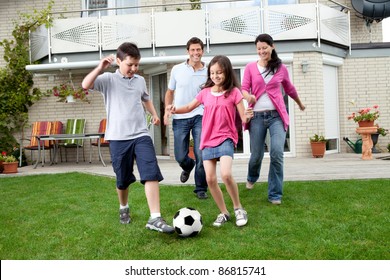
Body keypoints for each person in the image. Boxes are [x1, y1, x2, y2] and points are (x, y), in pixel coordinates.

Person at [82, 42, 174, 234]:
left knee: (150, 171)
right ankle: (123, 207)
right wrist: (100, 67)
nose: (134, 69)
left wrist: (155, 114)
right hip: (118, 137)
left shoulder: (140, 81)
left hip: (141, 134)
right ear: (118, 61)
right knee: (122, 179)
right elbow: (85, 85)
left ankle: (155, 217)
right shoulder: (107, 79)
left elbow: (146, 98)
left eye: (136, 65)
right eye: (130, 64)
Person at [168, 55, 253, 227]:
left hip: (226, 138)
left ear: (227, 72)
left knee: (226, 174)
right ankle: (224, 212)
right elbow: (188, 107)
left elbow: (243, 117)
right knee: (210, 179)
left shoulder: (234, 93)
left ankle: (238, 208)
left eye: (219, 73)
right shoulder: (205, 93)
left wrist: (248, 116)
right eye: (212, 73)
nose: (215, 76)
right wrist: (174, 108)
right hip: (207, 140)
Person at [242, 33, 305, 205]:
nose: (262, 51)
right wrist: (248, 97)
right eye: (259, 48)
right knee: (256, 154)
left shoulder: (281, 68)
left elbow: (289, 89)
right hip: (256, 117)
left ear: (272, 46)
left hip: (276, 116)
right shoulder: (250, 68)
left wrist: (299, 103)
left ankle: (275, 194)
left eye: (265, 47)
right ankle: (252, 176)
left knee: (277, 153)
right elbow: (244, 89)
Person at [164, 37, 209, 199]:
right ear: (188, 51)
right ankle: (187, 166)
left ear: (202, 51)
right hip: (180, 116)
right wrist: (166, 111)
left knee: (201, 154)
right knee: (180, 156)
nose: (196, 53)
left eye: (199, 50)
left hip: (201, 115)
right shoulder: (177, 69)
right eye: (193, 50)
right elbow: (170, 92)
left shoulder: (209, 70)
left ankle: (201, 188)